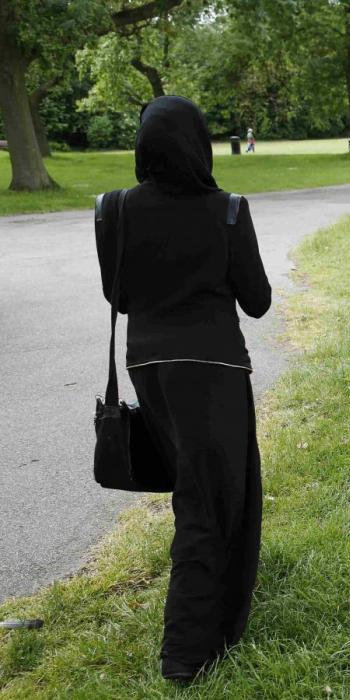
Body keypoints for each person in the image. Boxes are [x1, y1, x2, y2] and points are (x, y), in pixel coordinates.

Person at [94, 96, 271, 683]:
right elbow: (258, 300)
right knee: (210, 500)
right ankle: (186, 653)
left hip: (150, 365)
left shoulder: (113, 209)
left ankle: (215, 613)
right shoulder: (226, 210)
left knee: (201, 492)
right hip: (213, 368)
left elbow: (119, 297)